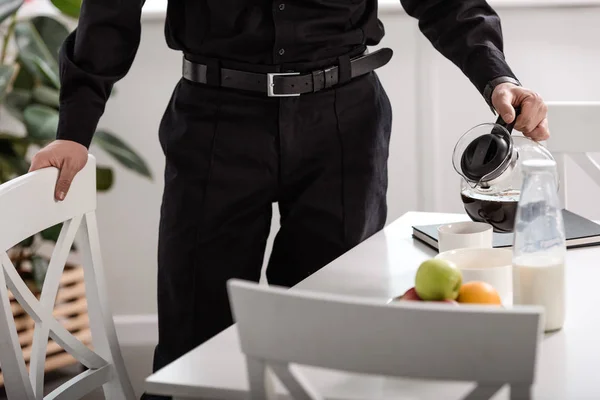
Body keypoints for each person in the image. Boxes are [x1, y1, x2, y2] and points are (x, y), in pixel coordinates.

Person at [30, 1, 549, 399]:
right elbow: (111, 8)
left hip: (345, 123)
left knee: (325, 333)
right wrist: (76, 129)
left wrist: (496, 75)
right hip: (214, 121)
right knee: (195, 332)